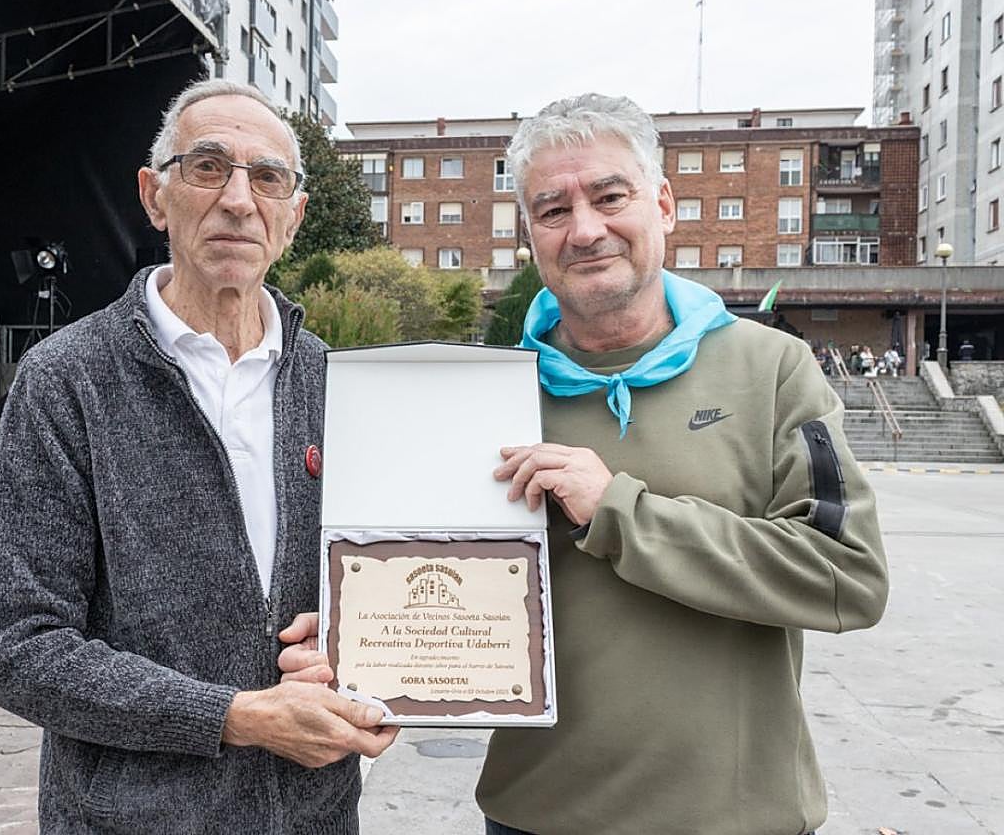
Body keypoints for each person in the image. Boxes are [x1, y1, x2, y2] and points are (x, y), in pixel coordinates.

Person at [290, 93, 889, 835]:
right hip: (535, 814)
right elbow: (415, 571)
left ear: (664, 204)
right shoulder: (477, 396)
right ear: (529, 237)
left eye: (610, 196)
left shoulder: (772, 370)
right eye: (552, 211)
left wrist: (620, 510)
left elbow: (848, 577)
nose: (585, 229)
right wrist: (358, 636)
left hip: (736, 815)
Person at [0, 79, 396, 834]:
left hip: (314, 815)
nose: (239, 199)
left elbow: (373, 580)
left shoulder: (337, 384)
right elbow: (21, 649)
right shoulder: (66, 381)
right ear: (154, 196)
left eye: (268, 177)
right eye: (208, 167)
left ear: (293, 215)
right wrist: (235, 716)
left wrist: (367, 653)